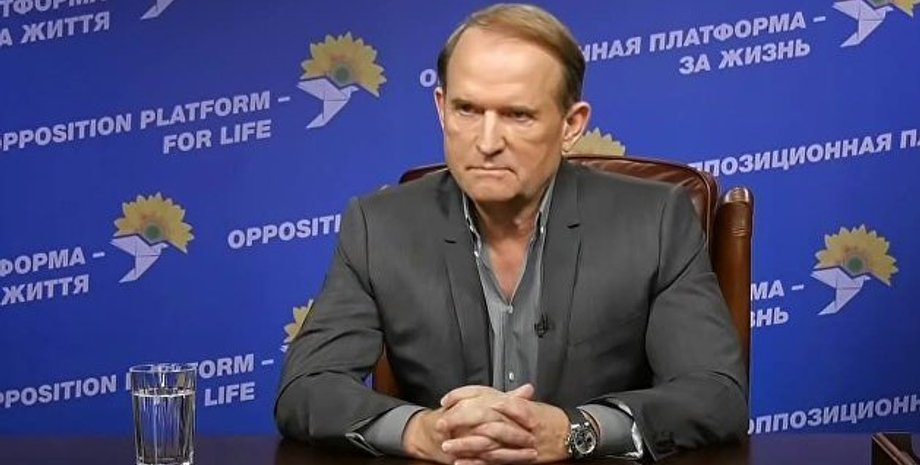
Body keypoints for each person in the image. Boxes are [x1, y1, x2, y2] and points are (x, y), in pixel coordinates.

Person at [275, 3, 748, 463]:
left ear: (571, 125)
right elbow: (306, 388)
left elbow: (715, 394)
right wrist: (419, 431)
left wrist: (576, 431)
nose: (486, 142)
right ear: (441, 108)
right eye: (466, 109)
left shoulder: (655, 220)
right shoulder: (378, 226)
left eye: (518, 115)